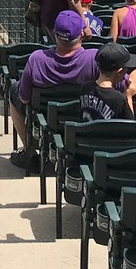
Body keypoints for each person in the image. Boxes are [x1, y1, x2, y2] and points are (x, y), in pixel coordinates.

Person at [9, 10, 102, 168]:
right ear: (81, 33)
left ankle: (30, 153)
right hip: (84, 121)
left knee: (13, 89)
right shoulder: (94, 58)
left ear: (54, 33)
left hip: (48, 123)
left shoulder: (37, 59)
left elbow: (24, 98)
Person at [79, 42, 136, 121]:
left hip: (90, 134)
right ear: (119, 72)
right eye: (126, 69)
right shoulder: (119, 99)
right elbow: (131, 127)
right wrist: (128, 95)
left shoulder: (85, 88)